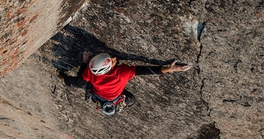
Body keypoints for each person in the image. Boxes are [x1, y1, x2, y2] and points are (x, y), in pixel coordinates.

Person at [56, 51, 191, 115]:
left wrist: (85, 62)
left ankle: (63, 78)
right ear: (110, 67)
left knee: (78, 82)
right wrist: (169, 68)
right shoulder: (123, 73)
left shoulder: (91, 73)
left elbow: (80, 80)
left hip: (99, 93)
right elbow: (146, 70)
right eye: (112, 60)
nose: (114, 58)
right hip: (113, 95)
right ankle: (119, 103)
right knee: (131, 100)